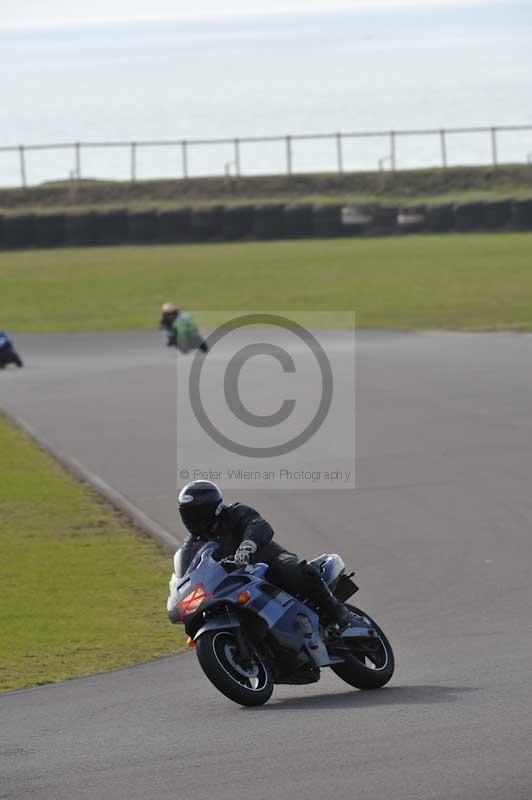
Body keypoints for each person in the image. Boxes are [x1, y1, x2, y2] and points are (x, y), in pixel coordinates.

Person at [177, 480, 351, 630]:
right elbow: (187, 572)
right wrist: (180, 587)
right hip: (234, 583)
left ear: (211, 509)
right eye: (187, 514)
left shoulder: (235, 513)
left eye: (196, 513)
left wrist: (248, 545)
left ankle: (337, 610)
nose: (191, 519)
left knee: (293, 572)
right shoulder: (192, 545)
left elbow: (258, 524)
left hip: (266, 561)